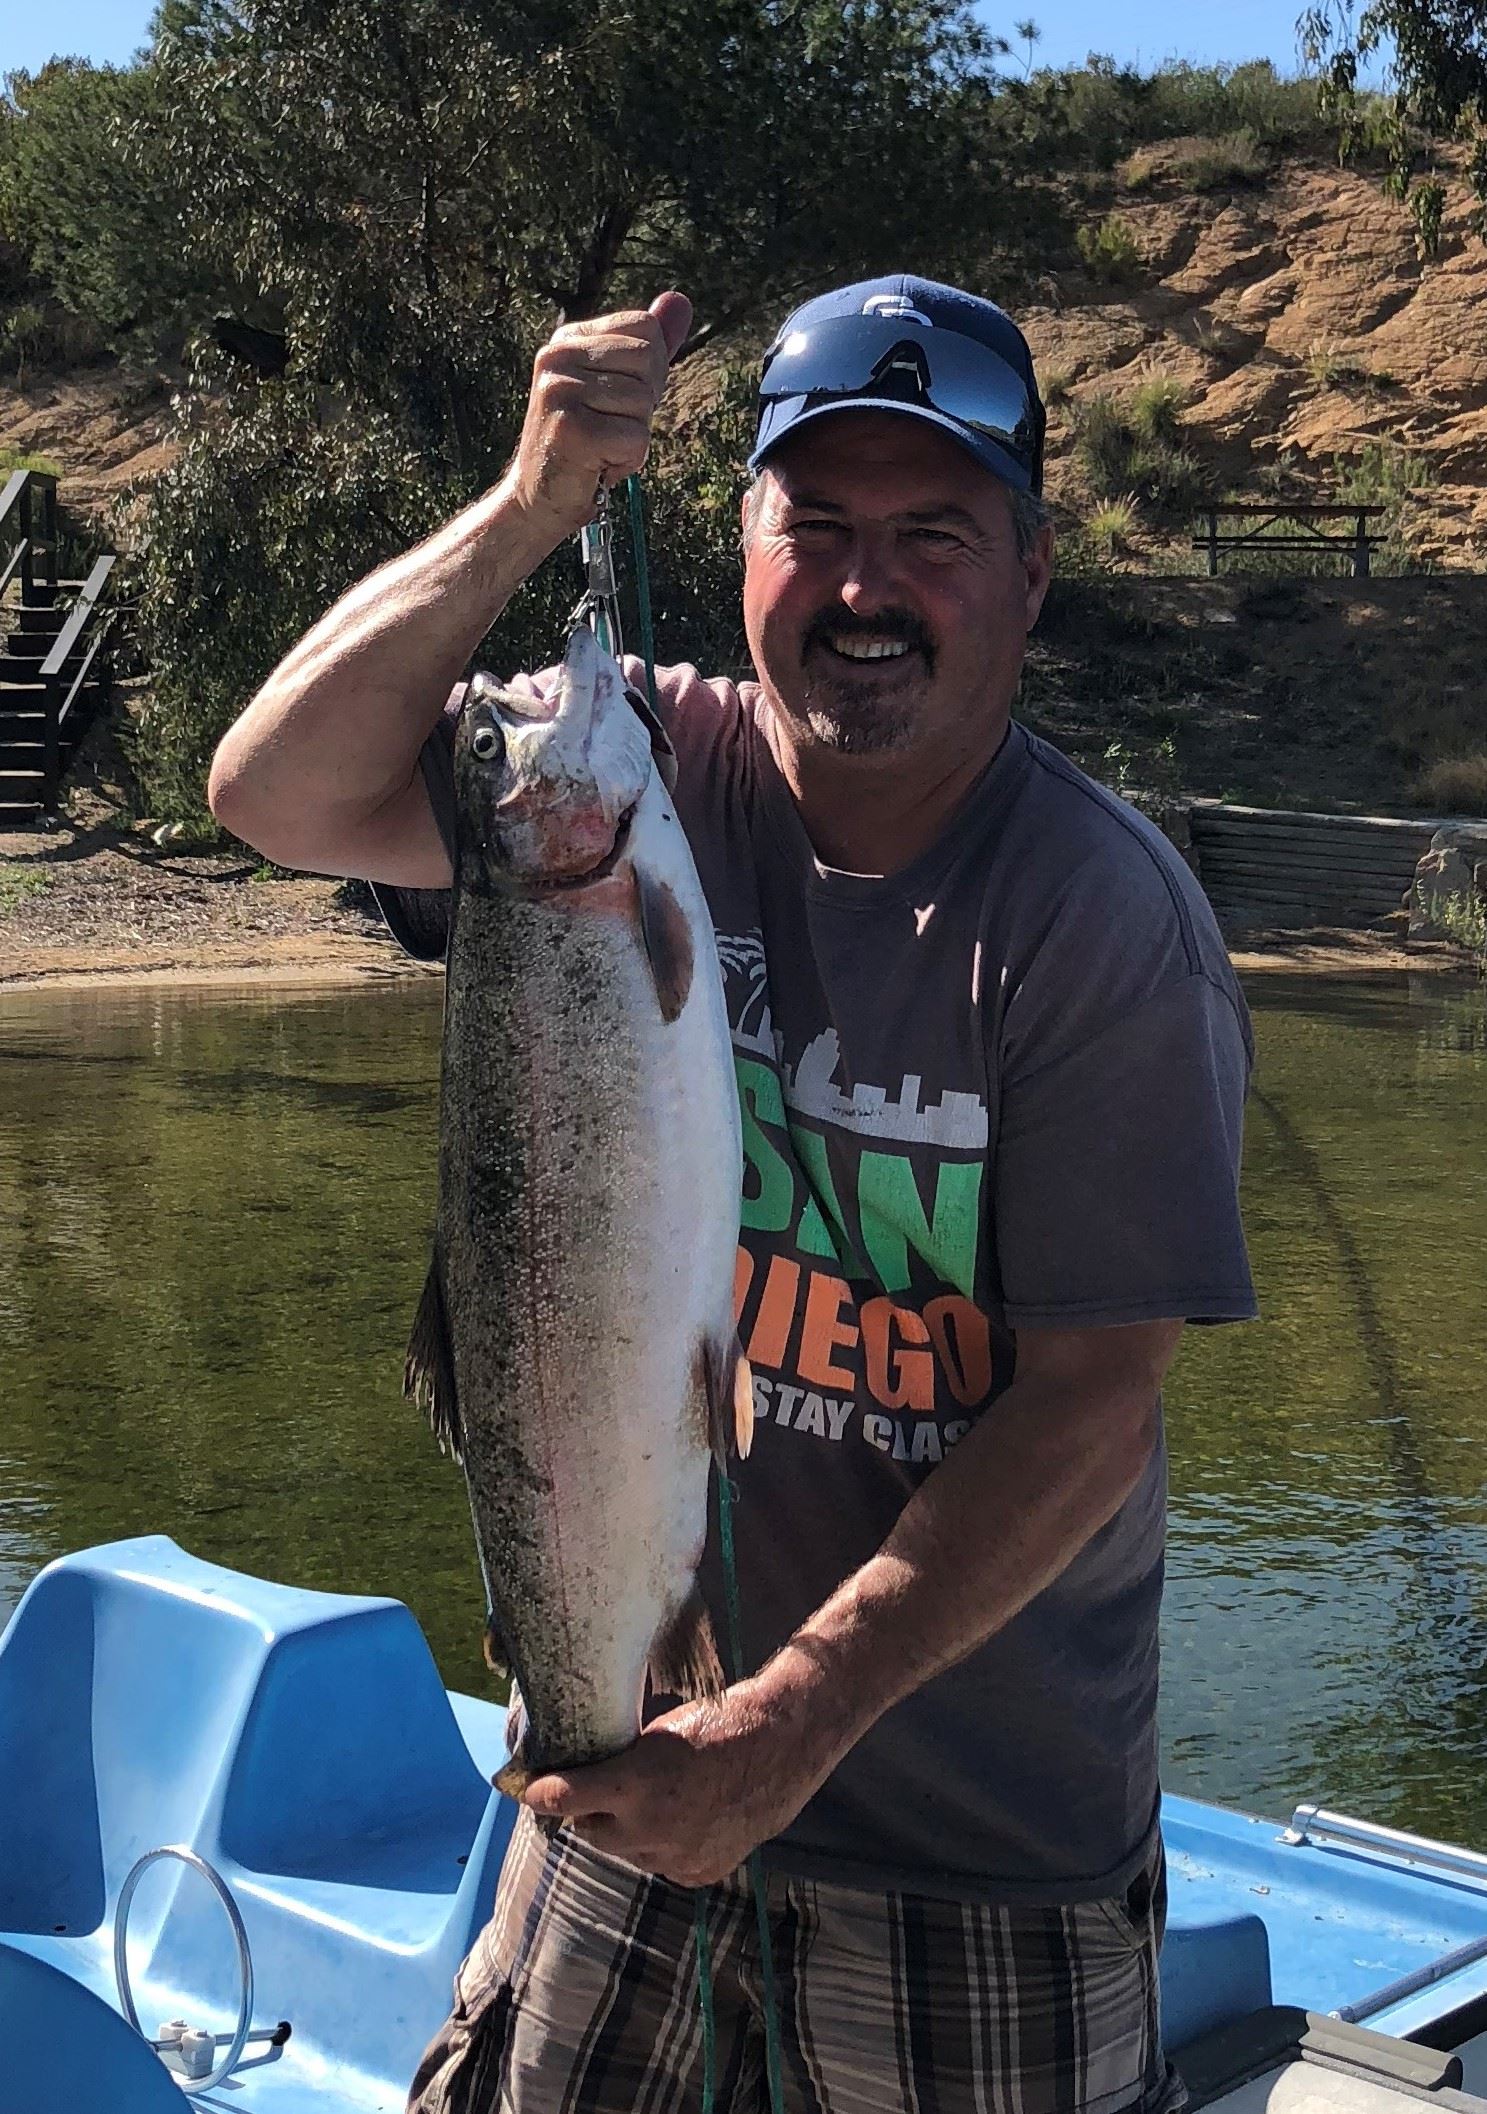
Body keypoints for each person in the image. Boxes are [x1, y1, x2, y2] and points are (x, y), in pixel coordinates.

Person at [209, 275, 1257, 2114]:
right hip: (618, 1763)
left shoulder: (1102, 922)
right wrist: (532, 506)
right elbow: (271, 787)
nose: (866, 587)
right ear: (743, 539)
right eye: (818, 525)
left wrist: (785, 1727)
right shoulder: (622, 770)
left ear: (1029, 575)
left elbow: (1097, 1400)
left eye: (932, 534)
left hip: (979, 1861)